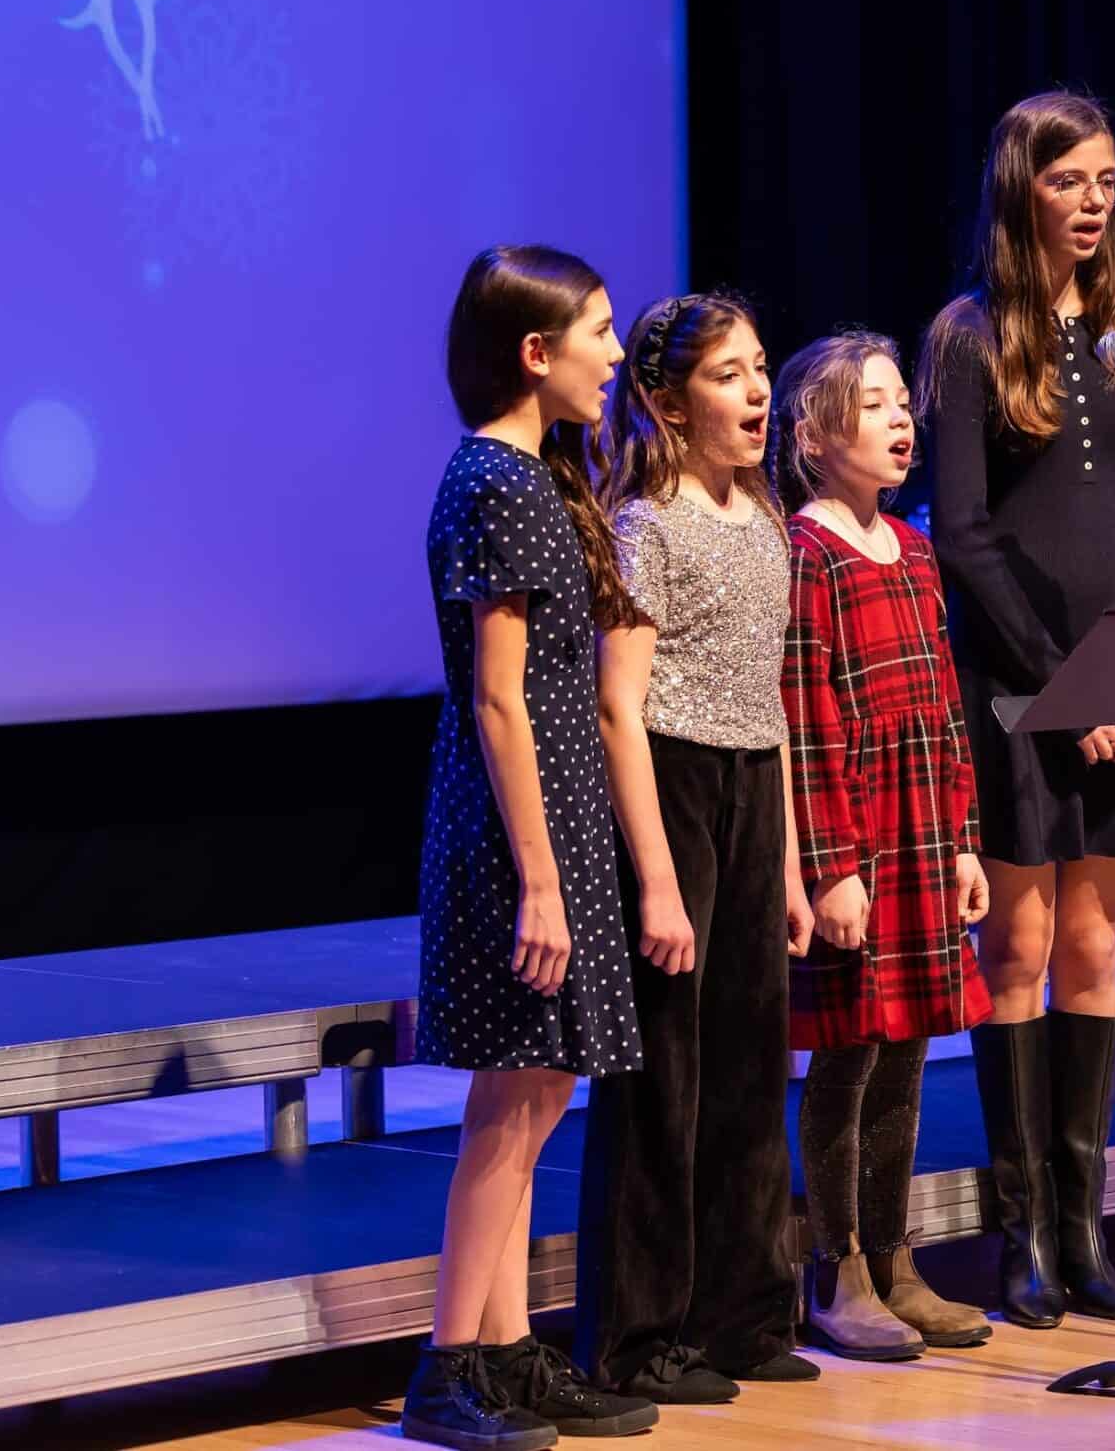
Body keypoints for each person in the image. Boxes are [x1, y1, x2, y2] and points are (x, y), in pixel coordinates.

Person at [918, 90, 1115, 1326]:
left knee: (1092, 951)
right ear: (1021, 186)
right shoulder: (969, 335)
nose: (1092, 203)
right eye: (1070, 180)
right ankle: (1020, 1232)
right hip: (1016, 684)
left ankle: (1083, 1230)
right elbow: (963, 533)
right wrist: (1063, 687)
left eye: (1107, 182)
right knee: (1016, 951)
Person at [406, 245, 660, 1448]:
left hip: (552, 820)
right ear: (533, 350)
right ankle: (447, 1368)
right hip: (518, 838)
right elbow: (499, 699)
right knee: (509, 1104)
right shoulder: (493, 483)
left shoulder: (535, 477)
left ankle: (507, 1353)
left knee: (541, 1093)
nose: (613, 354)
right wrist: (543, 882)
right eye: (598, 332)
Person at [576, 293, 817, 1402]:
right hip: (669, 787)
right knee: (661, 1075)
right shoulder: (646, 524)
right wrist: (660, 882)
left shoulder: (765, 521)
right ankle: (638, 1337)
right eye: (729, 374)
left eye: (760, 367)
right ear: (670, 404)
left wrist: (791, 864)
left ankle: (744, 1315)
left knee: (750, 1064)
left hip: (752, 786)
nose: (758, 390)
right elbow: (617, 706)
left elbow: (770, 702)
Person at [770, 331, 995, 1360]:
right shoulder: (805, 553)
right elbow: (806, 719)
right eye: (872, 403)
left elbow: (944, 708)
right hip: (857, 837)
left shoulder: (912, 548)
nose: (900, 418)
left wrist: (963, 840)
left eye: (902, 400)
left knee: (907, 1053)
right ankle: (838, 1265)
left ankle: (898, 1257)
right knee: (848, 1055)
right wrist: (832, 866)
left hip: (920, 831)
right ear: (815, 435)